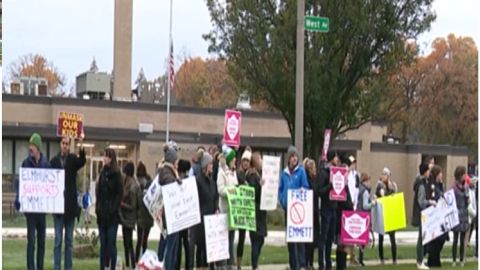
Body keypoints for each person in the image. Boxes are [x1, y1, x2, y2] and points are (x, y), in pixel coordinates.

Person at [15, 133, 50, 270]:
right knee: (31, 242)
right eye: (30, 145)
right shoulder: (26, 163)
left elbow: (50, 185)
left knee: (41, 242)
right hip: (30, 211)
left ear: (38, 147)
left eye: (33, 145)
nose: (30, 148)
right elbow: (21, 184)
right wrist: (18, 198)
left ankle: (39, 267)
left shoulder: (45, 164)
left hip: (41, 210)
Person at [50, 136, 86, 270]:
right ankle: (57, 267)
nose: (65, 146)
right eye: (63, 143)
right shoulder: (54, 161)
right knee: (58, 241)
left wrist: (81, 145)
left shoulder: (72, 160)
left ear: (69, 146)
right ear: (60, 144)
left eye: (67, 144)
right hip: (58, 208)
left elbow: (82, 161)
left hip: (70, 208)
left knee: (69, 242)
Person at [278, 145, 310, 270]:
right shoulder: (284, 173)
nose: (294, 158)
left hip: (298, 211)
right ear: (288, 158)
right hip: (288, 209)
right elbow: (280, 189)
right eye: (292, 156)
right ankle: (293, 265)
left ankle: (301, 264)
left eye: (296, 156)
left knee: (299, 239)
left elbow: (306, 186)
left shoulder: (301, 171)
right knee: (291, 240)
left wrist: (302, 191)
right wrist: (282, 200)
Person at [96, 148, 123, 270]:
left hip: (112, 215)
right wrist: (98, 208)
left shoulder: (117, 174)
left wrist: (113, 208)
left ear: (111, 158)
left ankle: (112, 267)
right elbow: (99, 192)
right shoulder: (102, 173)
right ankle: (103, 267)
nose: (104, 159)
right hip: (102, 214)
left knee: (111, 244)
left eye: (106, 156)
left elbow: (119, 193)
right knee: (103, 245)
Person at [158, 144, 181, 270]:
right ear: (172, 161)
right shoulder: (167, 173)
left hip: (171, 215)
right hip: (170, 216)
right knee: (170, 247)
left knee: (172, 247)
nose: (177, 163)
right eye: (176, 160)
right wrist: (176, 182)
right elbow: (168, 183)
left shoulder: (168, 172)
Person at [195, 152, 219, 270]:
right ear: (205, 165)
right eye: (210, 164)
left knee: (209, 250)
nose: (212, 166)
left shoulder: (212, 181)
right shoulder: (198, 181)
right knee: (201, 249)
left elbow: (215, 196)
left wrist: (216, 208)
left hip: (211, 221)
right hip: (201, 221)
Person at [217, 145, 239, 269]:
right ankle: (224, 264)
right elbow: (220, 190)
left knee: (231, 239)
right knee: (225, 240)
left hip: (233, 211)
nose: (235, 160)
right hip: (225, 210)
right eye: (233, 158)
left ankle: (231, 263)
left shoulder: (233, 173)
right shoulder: (221, 173)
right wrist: (231, 191)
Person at [317, 151, 340, 270]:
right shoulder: (324, 173)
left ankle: (328, 262)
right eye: (336, 157)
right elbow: (319, 191)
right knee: (324, 237)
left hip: (334, 208)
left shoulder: (337, 173)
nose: (338, 159)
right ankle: (321, 263)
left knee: (330, 238)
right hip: (326, 208)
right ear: (332, 158)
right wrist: (329, 187)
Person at [412, 163, 436, 270]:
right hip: (422, 214)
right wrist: (430, 202)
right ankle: (419, 261)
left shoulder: (422, 182)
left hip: (423, 214)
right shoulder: (421, 185)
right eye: (428, 171)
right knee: (421, 238)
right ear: (425, 171)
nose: (429, 173)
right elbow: (421, 202)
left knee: (422, 237)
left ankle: (420, 260)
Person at [246, 151, 267, 270]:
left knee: (261, 239)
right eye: (260, 159)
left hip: (260, 213)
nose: (262, 161)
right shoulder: (252, 176)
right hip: (255, 213)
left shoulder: (258, 174)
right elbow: (254, 193)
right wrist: (261, 186)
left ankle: (256, 262)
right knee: (257, 240)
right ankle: (254, 265)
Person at [375, 167, 398, 265]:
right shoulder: (379, 185)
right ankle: (381, 258)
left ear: (389, 176)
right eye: (383, 174)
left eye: (385, 174)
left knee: (392, 238)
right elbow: (377, 196)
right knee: (381, 238)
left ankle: (394, 259)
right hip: (382, 213)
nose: (383, 176)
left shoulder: (393, 185)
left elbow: (394, 196)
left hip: (390, 213)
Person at [120, 161, 140, 270]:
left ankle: (132, 264)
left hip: (129, 218)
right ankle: (128, 264)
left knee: (129, 243)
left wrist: (121, 204)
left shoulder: (132, 186)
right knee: (125, 242)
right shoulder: (127, 182)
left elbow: (133, 206)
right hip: (125, 217)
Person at [426, 165, 447, 268]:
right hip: (434, 217)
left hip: (440, 216)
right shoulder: (432, 185)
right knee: (436, 241)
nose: (441, 175)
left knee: (441, 239)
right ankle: (432, 261)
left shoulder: (440, 185)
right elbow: (435, 196)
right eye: (440, 173)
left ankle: (435, 260)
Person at [236, 147, 252, 270]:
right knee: (237, 237)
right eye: (244, 161)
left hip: (249, 211)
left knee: (246, 237)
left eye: (247, 161)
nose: (245, 163)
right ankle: (237, 263)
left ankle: (246, 262)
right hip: (239, 209)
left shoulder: (253, 174)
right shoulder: (238, 174)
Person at [356, 173, 376, 267]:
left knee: (360, 239)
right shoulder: (365, 192)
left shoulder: (359, 189)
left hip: (359, 215)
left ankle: (359, 259)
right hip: (364, 216)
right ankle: (361, 260)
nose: (370, 183)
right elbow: (365, 205)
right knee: (363, 240)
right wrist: (373, 203)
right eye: (368, 181)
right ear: (365, 181)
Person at [176, 159, 193, 270]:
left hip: (180, 215)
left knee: (179, 243)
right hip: (187, 216)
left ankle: (178, 265)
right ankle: (188, 265)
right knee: (186, 242)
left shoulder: (181, 182)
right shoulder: (190, 181)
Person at [136, 161, 154, 263]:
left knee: (144, 241)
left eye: (140, 179)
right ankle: (137, 261)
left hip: (147, 218)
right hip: (140, 217)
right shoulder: (139, 187)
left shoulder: (150, 185)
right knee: (139, 241)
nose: (139, 181)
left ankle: (145, 260)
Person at [452, 166, 469, 267]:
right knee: (455, 239)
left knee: (462, 240)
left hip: (464, 215)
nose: (465, 176)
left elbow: (467, 200)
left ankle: (461, 259)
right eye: (464, 174)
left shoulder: (466, 187)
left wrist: (468, 201)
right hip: (456, 215)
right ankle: (454, 259)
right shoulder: (454, 188)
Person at [303, 158, 319, 270]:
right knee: (308, 240)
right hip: (309, 211)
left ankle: (311, 262)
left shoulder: (315, 179)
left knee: (313, 239)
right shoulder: (307, 180)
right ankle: (307, 261)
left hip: (314, 211)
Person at [345, 156, 360, 266]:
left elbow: (357, 189)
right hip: (346, 205)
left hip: (354, 206)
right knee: (346, 233)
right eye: (352, 163)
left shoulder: (356, 175)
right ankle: (346, 255)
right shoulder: (346, 174)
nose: (353, 165)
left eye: (354, 163)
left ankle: (352, 256)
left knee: (353, 234)